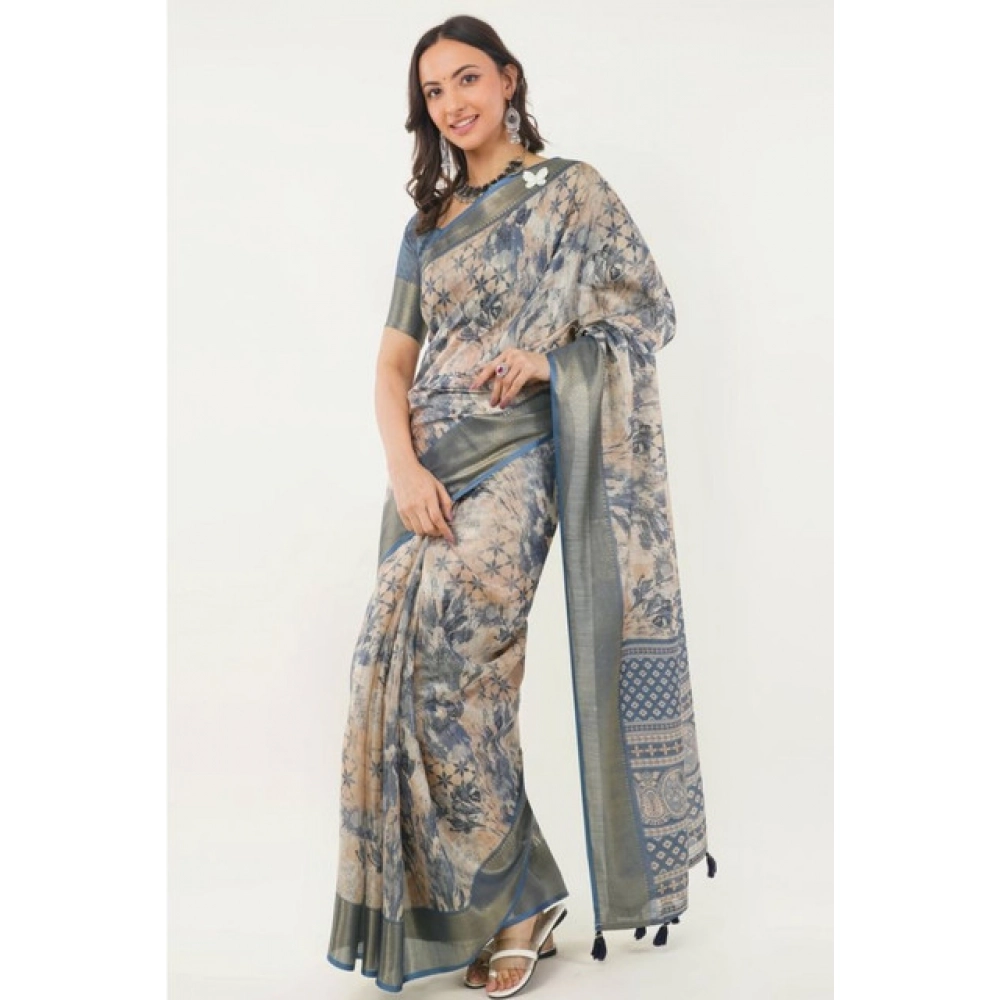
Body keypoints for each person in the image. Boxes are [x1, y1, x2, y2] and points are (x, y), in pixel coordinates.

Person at [326, 14, 716, 997]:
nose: (453, 104)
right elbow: (391, 367)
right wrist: (404, 469)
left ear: (508, 80)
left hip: (518, 458)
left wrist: (550, 361)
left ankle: (519, 901)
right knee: (397, 673)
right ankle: (516, 902)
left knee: (462, 665)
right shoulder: (428, 228)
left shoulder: (573, 193)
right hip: (425, 472)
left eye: (468, 79)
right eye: (433, 92)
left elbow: (647, 313)